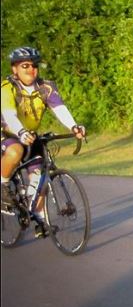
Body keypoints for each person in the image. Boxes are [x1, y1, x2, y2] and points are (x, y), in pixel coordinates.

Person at [1, 47, 86, 238]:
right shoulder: (7, 88)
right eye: (25, 66)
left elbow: (60, 107)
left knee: (40, 178)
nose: (31, 69)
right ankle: (3, 184)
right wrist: (20, 131)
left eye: (34, 66)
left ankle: (38, 217)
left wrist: (74, 126)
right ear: (15, 69)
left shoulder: (45, 87)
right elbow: (9, 115)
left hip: (29, 134)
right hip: (7, 132)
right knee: (15, 152)